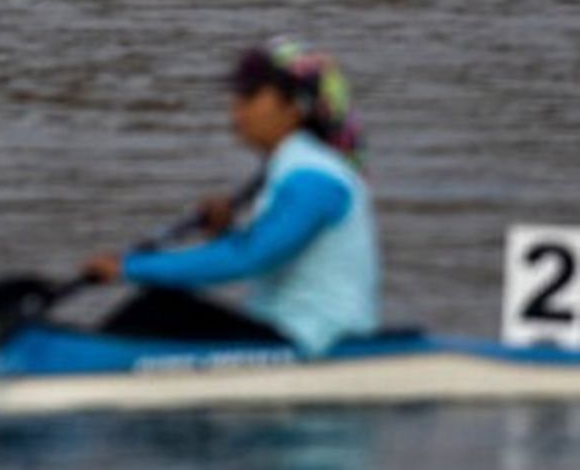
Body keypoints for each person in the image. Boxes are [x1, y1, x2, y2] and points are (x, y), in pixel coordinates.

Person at [82, 36, 380, 356]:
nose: (236, 105)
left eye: (250, 94)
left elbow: (251, 258)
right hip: (283, 333)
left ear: (295, 107)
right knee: (161, 310)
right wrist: (225, 232)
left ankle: (73, 369)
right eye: (236, 93)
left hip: (317, 343)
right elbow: (268, 254)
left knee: (158, 309)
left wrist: (131, 267)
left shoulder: (315, 179)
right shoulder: (292, 167)